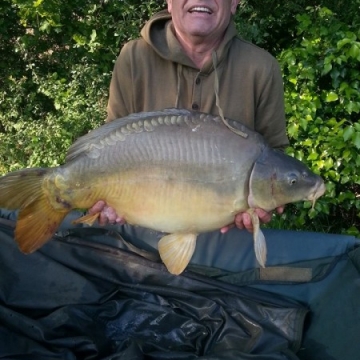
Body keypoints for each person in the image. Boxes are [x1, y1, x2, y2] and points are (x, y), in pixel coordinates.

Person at [89, 0, 289, 232]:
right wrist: (106, 203)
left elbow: (275, 163)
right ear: (169, 2)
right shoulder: (134, 57)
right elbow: (110, 150)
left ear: (234, 3)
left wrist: (265, 203)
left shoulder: (262, 68)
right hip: (141, 238)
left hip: (229, 243)